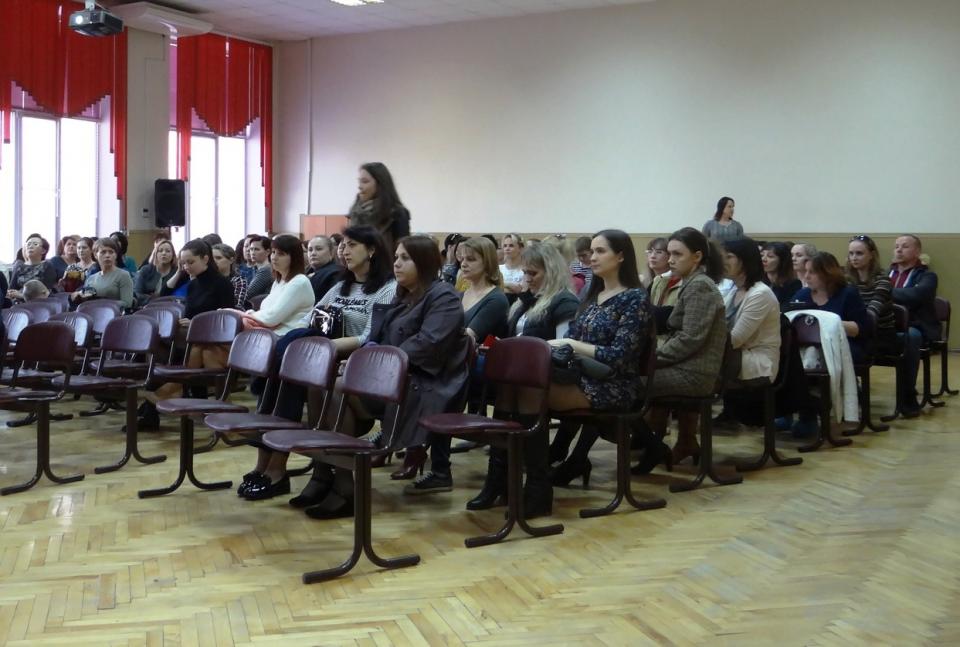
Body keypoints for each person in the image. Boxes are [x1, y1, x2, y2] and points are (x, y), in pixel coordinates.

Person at [301, 235, 468, 519]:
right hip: (391, 377)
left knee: (338, 389)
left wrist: (369, 366)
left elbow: (426, 346)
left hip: (425, 384)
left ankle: (344, 486)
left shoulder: (444, 297)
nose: (397, 264)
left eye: (405, 258)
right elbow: (377, 339)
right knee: (320, 385)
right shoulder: (402, 295)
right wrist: (359, 360)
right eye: (396, 258)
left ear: (425, 263)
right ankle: (323, 473)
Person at [241, 226, 397, 502]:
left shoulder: (387, 289)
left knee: (300, 376)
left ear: (372, 250)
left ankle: (298, 471)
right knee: (289, 370)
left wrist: (325, 348)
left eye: (352, 245)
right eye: (343, 245)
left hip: (352, 362)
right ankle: (282, 467)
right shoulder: (340, 286)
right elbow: (308, 320)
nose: (344, 251)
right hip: (321, 360)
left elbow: (368, 336)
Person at [526, 231, 654, 513]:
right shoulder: (592, 296)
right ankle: (503, 479)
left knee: (530, 395)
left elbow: (620, 357)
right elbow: (570, 338)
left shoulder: (635, 298)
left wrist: (573, 345)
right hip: (581, 375)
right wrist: (568, 346)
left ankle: (536, 490)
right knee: (516, 389)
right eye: (592, 251)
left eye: (600, 251)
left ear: (621, 256)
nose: (592, 257)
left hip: (614, 384)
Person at [470, 242, 581, 507]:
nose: (527, 278)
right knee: (508, 385)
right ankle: (500, 480)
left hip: (553, 374)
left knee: (521, 386)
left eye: (533, 273)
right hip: (521, 376)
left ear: (551, 271)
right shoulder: (525, 302)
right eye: (525, 273)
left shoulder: (564, 301)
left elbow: (565, 347)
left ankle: (535, 485)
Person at [641, 227, 727, 468]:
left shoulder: (700, 287)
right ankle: (652, 443)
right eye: (669, 254)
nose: (670, 260)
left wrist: (650, 360)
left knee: (627, 384)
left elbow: (690, 339)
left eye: (677, 254)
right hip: (685, 366)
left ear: (697, 256)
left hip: (695, 373)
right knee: (628, 380)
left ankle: (650, 444)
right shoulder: (692, 283)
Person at [137, 239, 236, 429]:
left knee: (193, 350)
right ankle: (161, 399)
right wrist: (180, 273)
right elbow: (164, 293)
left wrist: (195, 323)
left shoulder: (222, 284)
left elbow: (226, 318)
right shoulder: (193, 284)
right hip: (193, 338)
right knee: (162, 346)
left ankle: (165, 394)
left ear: (205, 259)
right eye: (183, 263)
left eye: (190, 262)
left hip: (216, 340)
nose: (186, 267)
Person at [888, 234, 937, 416]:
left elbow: (916, 295)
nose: (899, 250)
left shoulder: (927, 276)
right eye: (896, 246)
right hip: (888, 325)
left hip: (917, 326)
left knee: (911, 337)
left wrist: (885, 292)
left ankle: (907, 395)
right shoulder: (886, 274)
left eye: (905, 246)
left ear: (917, 251)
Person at [239, 234, 315, 336]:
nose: (274, 258)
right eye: (273, 252)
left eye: (281, 254)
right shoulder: (278, 281)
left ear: (294, 258)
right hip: (270, 333)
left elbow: (271, 318)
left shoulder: (299, 282)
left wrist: (248, 314)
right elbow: (267, 314)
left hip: (287, 337)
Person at [346, 162, 411, 256]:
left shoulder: (397, 213)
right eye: (359, 181)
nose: (359, 186)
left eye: (365, 181)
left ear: (380, 184)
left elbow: (402, 252)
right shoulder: (355, 213)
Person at [70, 237, 135, 310]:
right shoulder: (91, 278)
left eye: (111, 252)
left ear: (116, 255)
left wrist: (100, 302)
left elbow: (127, 303)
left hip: (115, 314)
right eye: (103, 252)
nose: (107, 255)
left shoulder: (123, 275)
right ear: (95, 255)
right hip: (91, 313)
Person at [7, 234, 58, 302]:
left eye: (35, 244)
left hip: (40, 303)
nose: (30, 246)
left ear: (43, 251)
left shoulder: (47, 266)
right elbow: (11, 289)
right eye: (28, 244)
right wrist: (11, 294)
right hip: (17, 302)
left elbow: (46, 292)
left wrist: (21, 295)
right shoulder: (19, 266)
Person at [134, 239, 178, 306]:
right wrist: (154, 299)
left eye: (168, 251)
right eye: (160, 251)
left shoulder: (176, 272)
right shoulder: (146, 270)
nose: (164, 253)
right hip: (146, 306)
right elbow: (137, 293)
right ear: (155, 254)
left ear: (173, 255)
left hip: (170, 307)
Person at [211, 243, 248, 310]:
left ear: (231, 260)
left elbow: (237, 305)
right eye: (212, 259)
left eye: (218, 258)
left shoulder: (238, 280)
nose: (214, 261)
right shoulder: (207, 279)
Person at [305, 235, 341, 302]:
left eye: (319, 249)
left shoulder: (336, 273)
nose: (313, 253)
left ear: (331, 252)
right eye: (310, 250)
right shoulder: (306, 271)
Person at [244, 234, 274, 301]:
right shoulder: (256, 268)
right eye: (251, 249)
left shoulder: (266, 270)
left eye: (256, 249)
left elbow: (248, 294)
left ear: (268, 252)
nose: (252, 253)